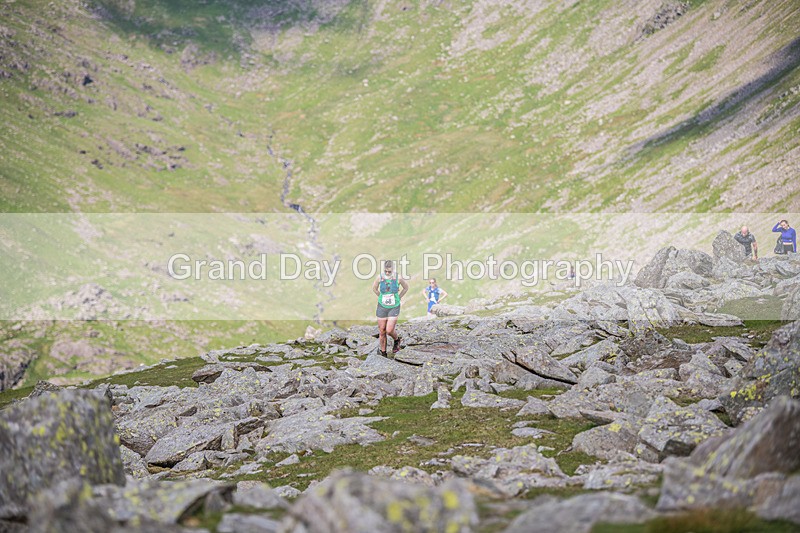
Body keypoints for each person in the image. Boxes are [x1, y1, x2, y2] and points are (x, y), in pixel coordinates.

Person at [372, 260, 408, 357]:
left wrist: (399, 297)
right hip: (382, 306)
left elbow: (406, 288)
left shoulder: (398, 278)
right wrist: (381, 297)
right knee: (382, 330)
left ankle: (397, 340)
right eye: (386, 271)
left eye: (389, 271)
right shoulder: (380, 277)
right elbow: (374, 288)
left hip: (394, 307)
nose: (387, 273)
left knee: (389, 330)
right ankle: (383, 353)